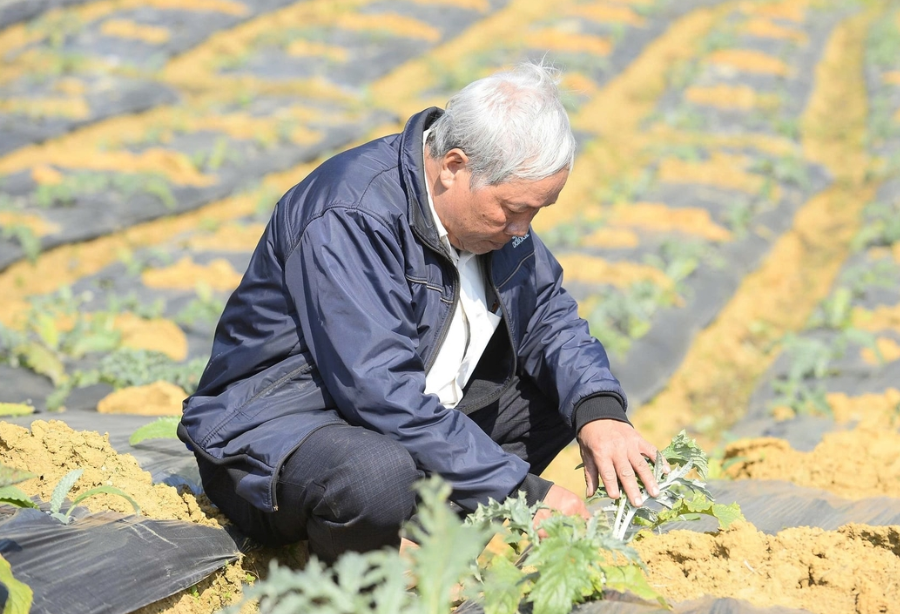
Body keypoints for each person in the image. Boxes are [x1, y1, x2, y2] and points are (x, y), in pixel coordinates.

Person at [179, 62, 663, 562]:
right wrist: (522, 491)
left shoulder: (487, 220)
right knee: (374, 475)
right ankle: (352, 575)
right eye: (513, 209)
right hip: (278, 436)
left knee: (556, 397)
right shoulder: (352, 216)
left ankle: (423, 544)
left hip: (388, 420)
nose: (523, 230)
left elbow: (547, 316)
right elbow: (381, 391)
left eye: (536, 212)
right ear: (453, 166)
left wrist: (600, 413)